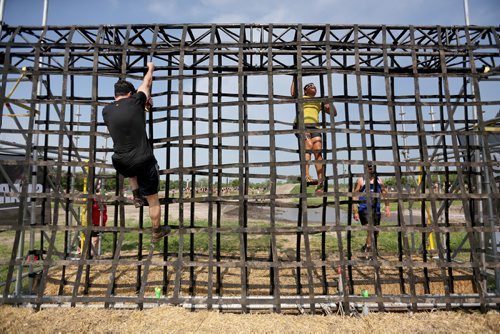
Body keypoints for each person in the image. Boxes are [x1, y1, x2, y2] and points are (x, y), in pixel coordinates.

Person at [103, 62, 171, 243]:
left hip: (120, 161)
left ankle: (135, 194)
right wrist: (151, 68)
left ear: (114, 95)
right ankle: (157, 231)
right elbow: (146, 84)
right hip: (143, 160)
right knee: (153, 199)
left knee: (129, 164)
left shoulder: (106, 110)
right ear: (131, 94)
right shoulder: (135, 101)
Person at [291, 80, 337, 193]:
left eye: (315, 87)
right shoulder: (302, 98)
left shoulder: (318, 101)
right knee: (308, 146)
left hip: (315, 127)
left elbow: (333, 113)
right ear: (305, 90)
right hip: (301, 125)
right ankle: (306, 175)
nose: (313, 87)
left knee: (318, 150)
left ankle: (321, 181)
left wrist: (329, 103)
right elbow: (293, 93)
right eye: (310, 86)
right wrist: (294, 77)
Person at [352, 163, 390, 257]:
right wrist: (355, 211)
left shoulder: (379, 181)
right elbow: (354, 196)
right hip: (364, 208)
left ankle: (367, 246)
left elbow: (385, 193)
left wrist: (387, 206)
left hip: (376, 208)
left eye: (372, 167)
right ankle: (368, 250)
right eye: (368, 167)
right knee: (370, 228)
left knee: (376, 230)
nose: (370, 169)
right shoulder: (361, 181)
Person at [91, 185, 107, 256]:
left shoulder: (103, 200)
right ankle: (91, 254)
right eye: (100, 191)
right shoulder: (93, 200)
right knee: (94, 240)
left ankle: (95, 254)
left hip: (101, 222)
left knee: (97, 240)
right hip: (95, 222)